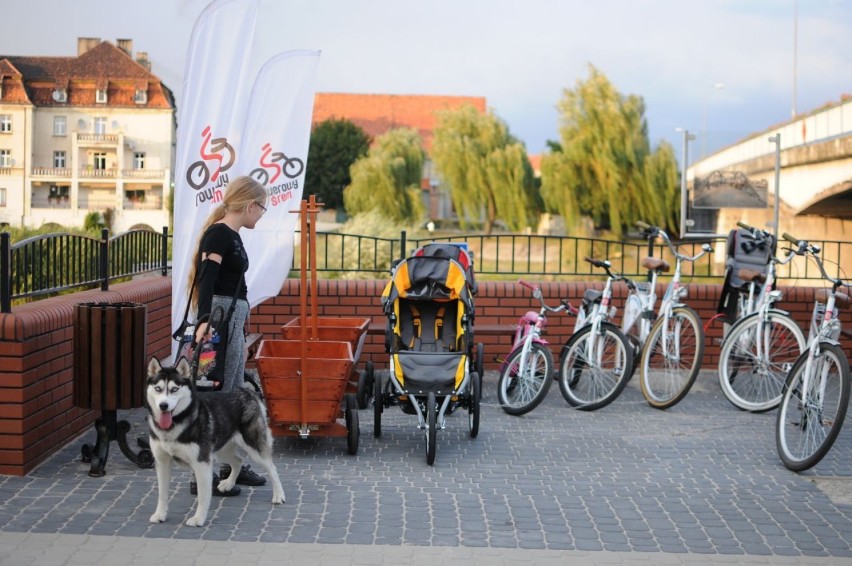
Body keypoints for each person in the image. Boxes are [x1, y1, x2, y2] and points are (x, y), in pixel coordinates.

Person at [185, 175, 269, 496]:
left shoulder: (231, 235)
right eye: (262, 207)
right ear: (249, 205)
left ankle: (230, 468)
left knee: (230, 394)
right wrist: (205, 321)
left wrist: (240, 330)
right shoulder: (218, 235)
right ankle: (200, 473)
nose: (262, 214)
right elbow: (208, 279)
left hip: (231, 321)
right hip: (219, 322)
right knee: (212, 394)